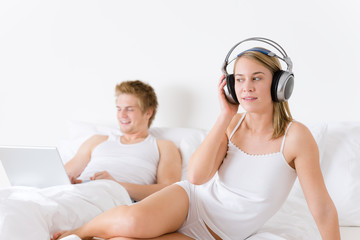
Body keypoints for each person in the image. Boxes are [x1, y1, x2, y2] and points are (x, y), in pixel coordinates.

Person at [54, 46, 340, 240]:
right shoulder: (231, 123)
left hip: (219, 234)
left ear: (280, 84)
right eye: (239, 80)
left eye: (257, 78)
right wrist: (225, 115)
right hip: (191, 202)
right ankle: (78, 232)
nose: (246, 87)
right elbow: (197, 177)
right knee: (131, 223)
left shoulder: (296, 137)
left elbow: (323, 208)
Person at [64, 80, 182, 202]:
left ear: (148, 112)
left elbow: (169, 190)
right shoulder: (97, 140)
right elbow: (61, 176)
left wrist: (115, 184)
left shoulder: (163, 146)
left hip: (112, 200)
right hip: (77, 194)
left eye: (129, 109)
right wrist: (69, 182)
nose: (122, 115)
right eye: (119, 109)